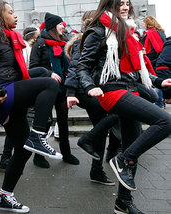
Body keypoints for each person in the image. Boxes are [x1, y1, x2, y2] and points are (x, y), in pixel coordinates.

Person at [76, 0, 171, 212]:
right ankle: (123, 159)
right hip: (110, 90)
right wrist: (89, 86)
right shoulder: (98, 31)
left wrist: (158, 82)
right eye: (121, 3)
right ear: (110, 4)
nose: (126, 6)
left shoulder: (126, 34)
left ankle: (123, 202)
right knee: (165, 121)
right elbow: (82, 66)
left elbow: (136, 71)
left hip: (129, 89)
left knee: (132, 144)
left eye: (128, 3)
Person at [0, 1, 60, 212]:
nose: (15, 16)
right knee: (48, 83)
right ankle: (38, 135)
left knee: (23, 148)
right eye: (10, 12)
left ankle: (4, 196)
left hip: (12, 92)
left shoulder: (10, 38)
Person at [65, 10, 117, 186]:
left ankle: (97, 170)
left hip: (93, 90)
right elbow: (76, 67)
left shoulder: (102, 40)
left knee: (101, 128)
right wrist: (70, 93)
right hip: (84, 91)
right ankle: (89, 142)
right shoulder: (86, 40)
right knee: (118, 110)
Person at [30, 12, 80, 167]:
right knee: (44, 123)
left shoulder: (63, 42)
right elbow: (32, 68)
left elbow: (69, 65)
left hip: (62, 89)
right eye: (60, 24)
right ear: (52, 26)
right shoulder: (40, 43)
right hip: (45, 89)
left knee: (63, 122)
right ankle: (39, 156)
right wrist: (49, 73)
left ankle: (67, 153)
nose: (62, 27)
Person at [141, 16, 167, 109]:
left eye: (144, 23)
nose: (143, 25)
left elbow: (157, 48)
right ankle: (161, 102)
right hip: (161, 59)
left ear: (148, 23)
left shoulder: (151, 33)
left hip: (155, 60)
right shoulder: (161, 33)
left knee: (155, 81)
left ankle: (159, 103)